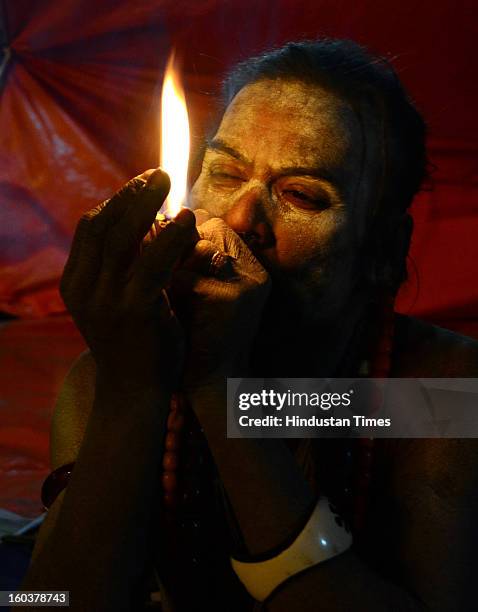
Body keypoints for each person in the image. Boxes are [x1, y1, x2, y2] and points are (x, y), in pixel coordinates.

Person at [22, 39, 478, 611]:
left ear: (384, 250)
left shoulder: (440, 394)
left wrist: (224, 389)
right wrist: (131, 391)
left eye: (301, 196)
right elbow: (47, 600)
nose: (240, 218)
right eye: (224, 172)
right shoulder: (117, 374)